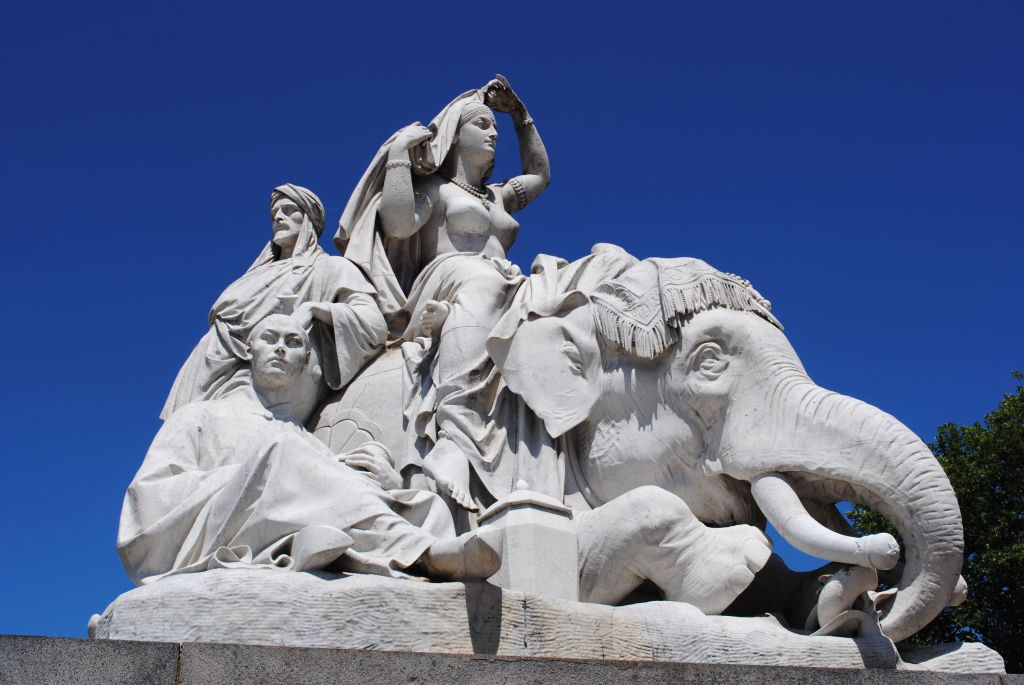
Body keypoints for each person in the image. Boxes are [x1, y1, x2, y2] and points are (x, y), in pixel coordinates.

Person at [119, 314, 502, 585]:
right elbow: (147, 502)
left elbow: (326, 491)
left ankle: (418, 555)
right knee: (284, 454)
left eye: (293, 343)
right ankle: (420, 553)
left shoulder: (303, 439)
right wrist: (257, 477)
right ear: (249, 351)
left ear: (304, 362)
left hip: (293, 521)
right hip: (213, 530)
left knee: (425, 503)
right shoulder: (200, 416)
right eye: (270, 339)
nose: (280, 349)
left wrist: (381, 482)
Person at [336, 77, 551, 511]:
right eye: (482, 124)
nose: (493, 134)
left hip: (501, 281)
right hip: (448, 276)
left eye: (494, 128)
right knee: (484, 281)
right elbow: (397, 224)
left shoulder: (497, 196)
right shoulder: (436, 190)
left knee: (555, 293)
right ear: (455, 133)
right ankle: (455, 434)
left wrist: (520, 115)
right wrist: (400, 156)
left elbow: (540, 176)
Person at [162, 183, 387, 424]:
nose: (279, 218)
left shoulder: (331, 267)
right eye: (275, 214)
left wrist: (313, 309)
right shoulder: (257, 274)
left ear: (309, 220)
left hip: (266, 381)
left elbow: (374, 324)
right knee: (184, 430)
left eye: (289, 210)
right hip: (207, 370)